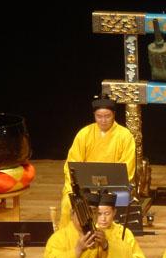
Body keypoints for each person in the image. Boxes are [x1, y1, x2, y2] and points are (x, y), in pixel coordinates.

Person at [58, 96, 136, 228]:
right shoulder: (84, 134)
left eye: (107, 116)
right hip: (86, 185)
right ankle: (70, 237)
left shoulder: (125, 135)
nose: (103, 120)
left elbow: (127, 166)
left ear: (114, 115)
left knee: (106, 202)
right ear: (94, 115)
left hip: (112, 186)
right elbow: (72, 163)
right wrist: (77, 184)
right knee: (68, 201)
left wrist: (108, 185)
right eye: (99, 116)